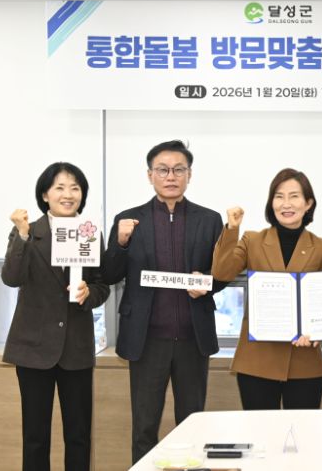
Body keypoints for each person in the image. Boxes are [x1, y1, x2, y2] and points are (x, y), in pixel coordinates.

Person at [102, 140, 226, 464]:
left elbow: (224, 270)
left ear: (189, 174)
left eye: (178, 169)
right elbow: (110, 274)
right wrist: (121, 243)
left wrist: (207, 283)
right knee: (144, 427)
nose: (171, 176)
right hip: (146, 339)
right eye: (163, 170)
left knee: (192, 424)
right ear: (150, 175)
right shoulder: (128, 219)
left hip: (192, 338)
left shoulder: (210, 220)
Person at [2, 162, 110, 471]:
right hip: (33, 348)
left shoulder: (90, 232)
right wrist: (22, 234)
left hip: (76, 348)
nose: (68, 194)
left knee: (79, 436)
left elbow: (102, 285)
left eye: (75, 188)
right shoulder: (28, 231)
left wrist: (89, 293)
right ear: (45, 195)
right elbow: (11, 277)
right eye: (60, 187)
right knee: (35, 437)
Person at [211, 168, 322, 409]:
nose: (286, 204)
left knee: (302, 430)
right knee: (259, 431)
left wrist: (319, 330)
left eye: (294, 196)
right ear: (271, 203)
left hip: (304, 361)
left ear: (308, 203)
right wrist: (232, 229)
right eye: (279, 196)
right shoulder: (251, 240)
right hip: (257, 360)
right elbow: (221, 272)